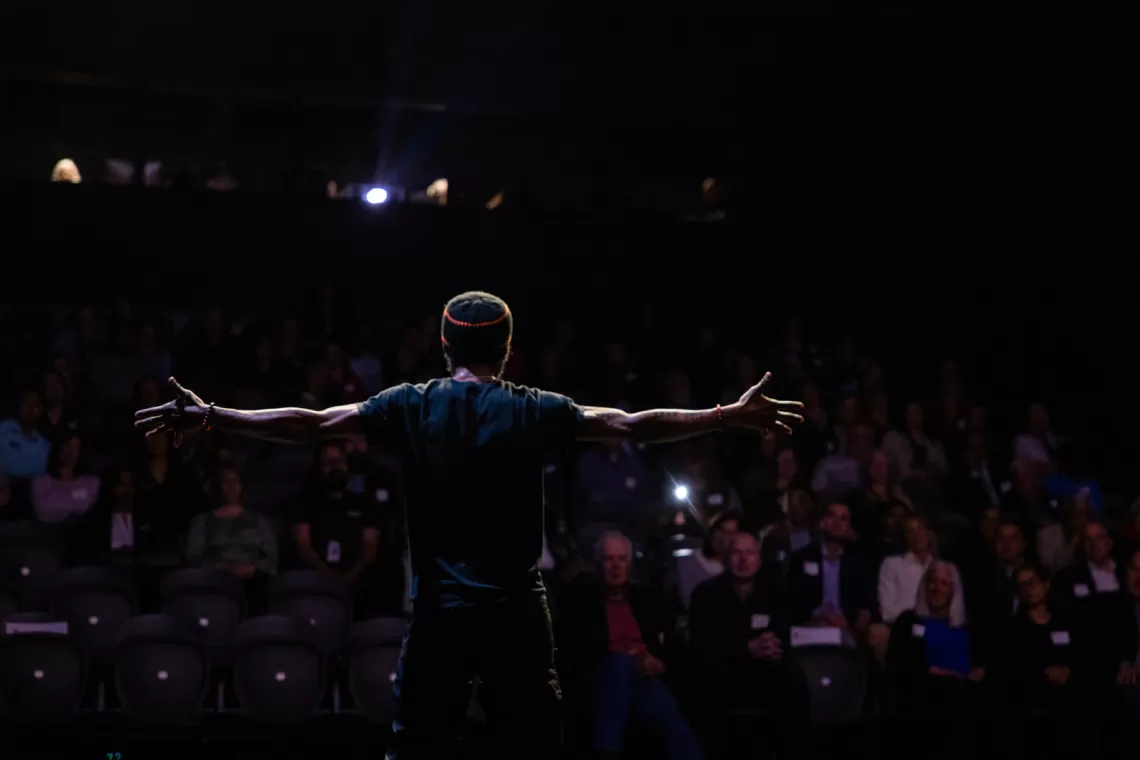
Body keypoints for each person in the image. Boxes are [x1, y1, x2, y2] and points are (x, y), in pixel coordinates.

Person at [135, 290, 803, 759]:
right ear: (508, 351)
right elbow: (630, 425)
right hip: (516, 613)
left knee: (417, 750)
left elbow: (311, 425)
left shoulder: (410, 404)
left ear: (444, 344)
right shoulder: (535, 408)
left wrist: (215, 415)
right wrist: (723, 416)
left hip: (440, 615)